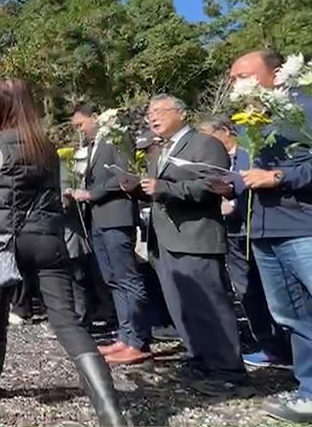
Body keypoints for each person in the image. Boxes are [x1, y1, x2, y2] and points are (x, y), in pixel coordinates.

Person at [0, 78, 129, 426]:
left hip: (4, 243)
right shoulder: (48, 148)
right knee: (67, 321)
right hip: (48, 241)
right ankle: (110, 411)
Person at [226, 51, 312, 425]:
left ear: (276, 74)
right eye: (232, 80)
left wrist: (282, 178)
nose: (236, 86)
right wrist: (226, 185)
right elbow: (247, 176)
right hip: (265, 232)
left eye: (244, 76)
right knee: (295, 318)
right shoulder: (251, 123)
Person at [120, 94, 249, 398]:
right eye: (149, 113)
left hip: (195, 237)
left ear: (181, 112)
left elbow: (213, 185)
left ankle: (229, 371)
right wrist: (137, 190)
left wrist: (165, 187)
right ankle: (198, 360)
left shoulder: (205, 144)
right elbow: (157, 192)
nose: (152, 117)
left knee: (210, 307)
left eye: (159, 112)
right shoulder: (161, 150)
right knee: (183, 309)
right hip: (165, 242)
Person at [196, 115, 292, 369]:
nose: (207, 143)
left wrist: (235, 204)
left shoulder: (251, 151)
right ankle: (270, 346)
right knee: (246, 291)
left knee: (276, 292)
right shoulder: (216, 160)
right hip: (233, 233)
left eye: (210, 136)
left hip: (258, 230)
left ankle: (291, 349)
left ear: (227, 131)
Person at [67, 104, 152, 365]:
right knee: (111, 278)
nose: (80, 131)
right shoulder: (93, 147)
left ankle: (139, 339)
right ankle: (124, 336)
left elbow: (126, 175)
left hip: (116, 217)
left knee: (127, 278)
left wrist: (92, 193)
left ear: (95, 118)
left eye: (81, 125)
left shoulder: (118, 137)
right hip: (98, 220)